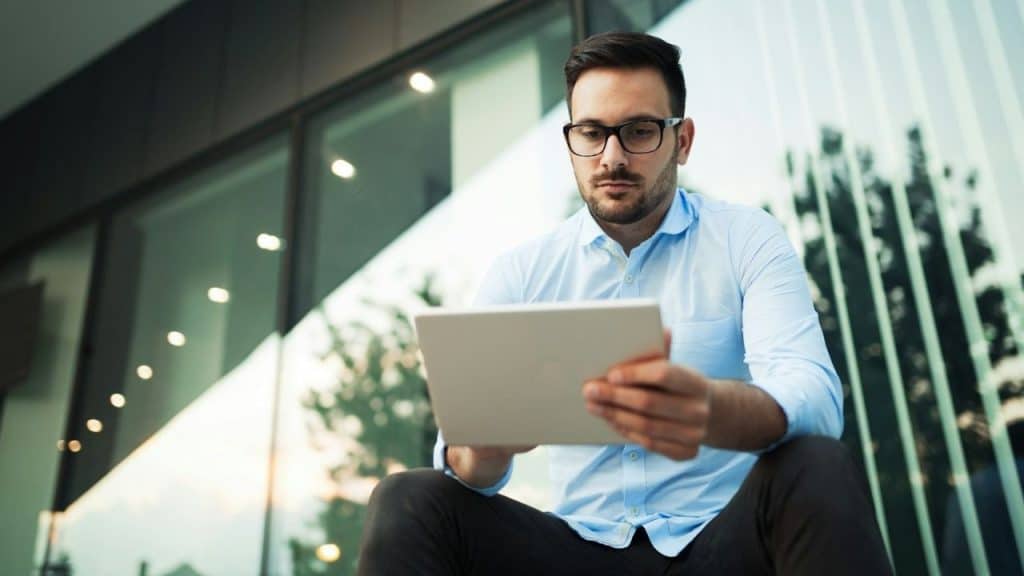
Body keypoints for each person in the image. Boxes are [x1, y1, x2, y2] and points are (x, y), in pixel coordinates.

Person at [358, 31, 891, 575]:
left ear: (681, 141)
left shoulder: (745, 238)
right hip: (575, 553)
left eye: (638, 132)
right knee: (408, 499)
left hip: (719, 545)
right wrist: (486, 449)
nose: (612, 157)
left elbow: (817, 401)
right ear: (571, 141)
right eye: (591, 133)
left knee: (816, 462)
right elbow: (463, 456)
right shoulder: (523, 272)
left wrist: (709, 408)